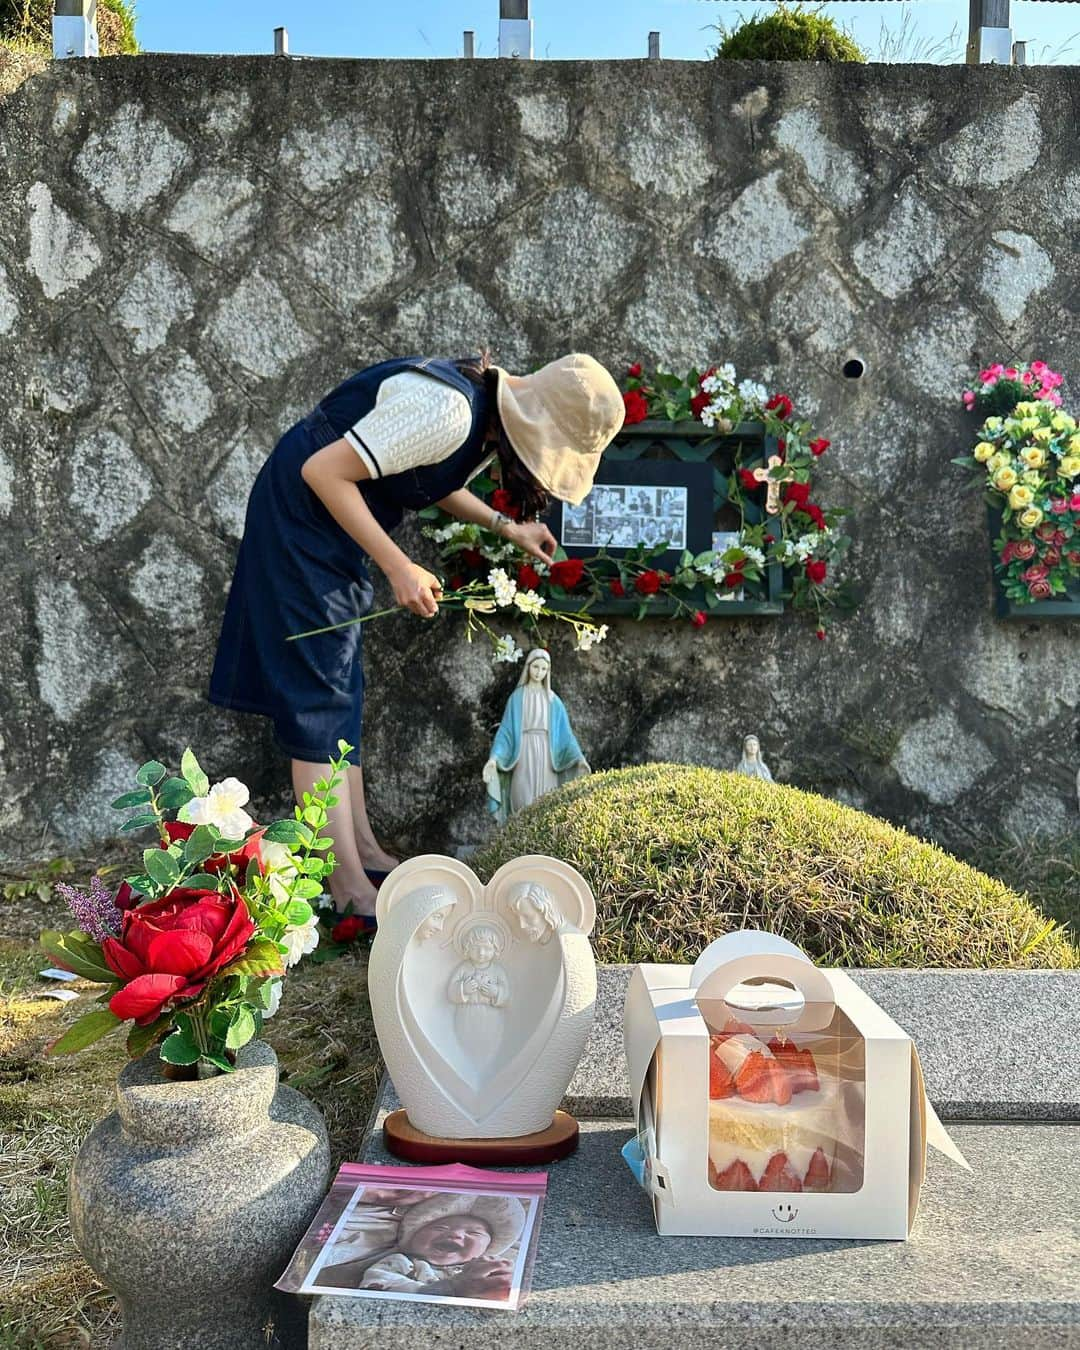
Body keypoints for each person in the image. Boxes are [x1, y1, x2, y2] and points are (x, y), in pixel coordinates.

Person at [209, 352, 625, 920]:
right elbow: (322, 472)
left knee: (342, 693)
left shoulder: (478, 415)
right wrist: (398, 565)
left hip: (333, 527)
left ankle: (364, 851)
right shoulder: (449, 410)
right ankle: (348, 888)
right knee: (317, 701)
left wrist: (507, 526)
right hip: (302, 521)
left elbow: (424, 475)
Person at [315, 1192, 526, 1301]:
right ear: (413, 1238)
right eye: (441, 1227)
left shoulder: (483, 1269)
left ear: (485, 1251)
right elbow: (378, 1285)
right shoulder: (403, 1262)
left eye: (473, 1234)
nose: (455, 1234)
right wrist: (450, 1288)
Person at [483, 649, 590, 824]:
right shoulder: (517, 698)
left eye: (543, 669)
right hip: (524, 752)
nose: (539, 672)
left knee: (546, 799)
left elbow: (566, 735)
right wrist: (494, 759)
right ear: (528, 667)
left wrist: (579, 759)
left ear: (548, 671)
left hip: (546, 754)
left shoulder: (553, 700)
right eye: (535, 667)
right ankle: (518, 837)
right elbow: (506, 733)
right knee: (521, 796)